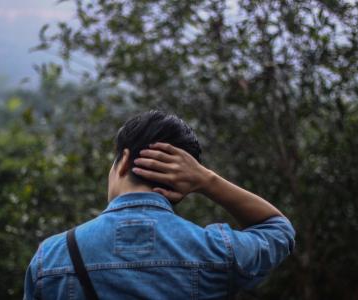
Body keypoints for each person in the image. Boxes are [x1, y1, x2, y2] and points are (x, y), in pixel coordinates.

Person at [23, 110, 296, 300]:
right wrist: (207, 180)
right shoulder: (217, 251)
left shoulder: (52, 257)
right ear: (183, 182)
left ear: (124, 160)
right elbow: (278, 230)